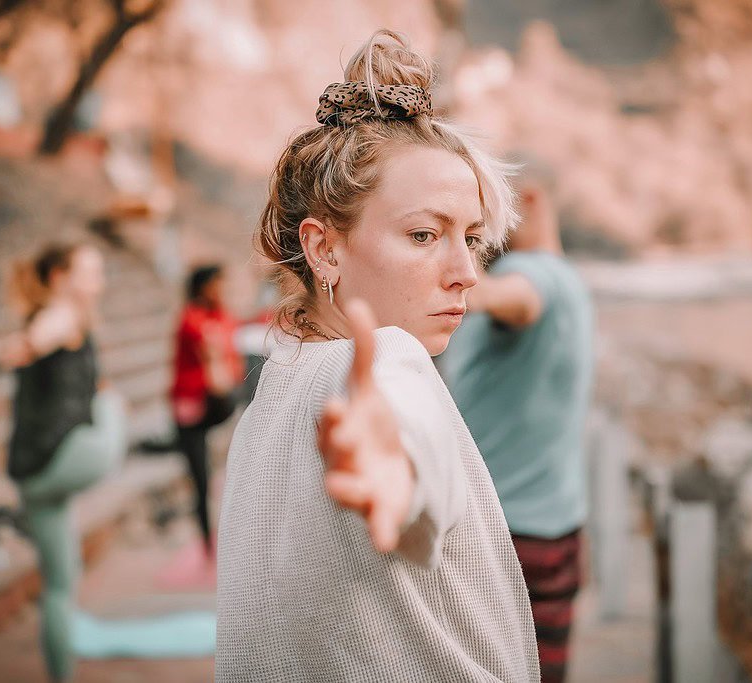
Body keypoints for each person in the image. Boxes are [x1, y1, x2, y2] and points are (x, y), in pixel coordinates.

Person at [215, 30, 539, 681]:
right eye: (423, 234)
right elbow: (406, 432)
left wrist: (400, 466)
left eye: (470, 238)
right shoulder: (389, 361)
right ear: (325, 249)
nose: (465, 272)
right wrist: (397, 467)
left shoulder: (265, 407)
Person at [440, 154, 595, 682]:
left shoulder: (529, 277)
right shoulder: (571, 282)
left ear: (526, 202)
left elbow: (516, 300)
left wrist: (433, 273)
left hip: (506, 540)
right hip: (557, 532)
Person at [2, 241, 127, 682]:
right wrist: (29, 345)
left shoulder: (69, 317)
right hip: (60, 458)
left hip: (30, 474)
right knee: (115, 407)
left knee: (60, 582)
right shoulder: (61, 314)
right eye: (89, 273)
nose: (98, 282)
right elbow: (45, 333)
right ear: (59, 278)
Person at [170, 264, 243, 554]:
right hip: (191, 409)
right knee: (199, 479)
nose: (222, 291)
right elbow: (218, 373)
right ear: (203, 288)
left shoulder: (221, 316)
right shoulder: (192, 320)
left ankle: (219, 540)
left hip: (212, 407)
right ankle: (206, 546)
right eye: (217, 285)